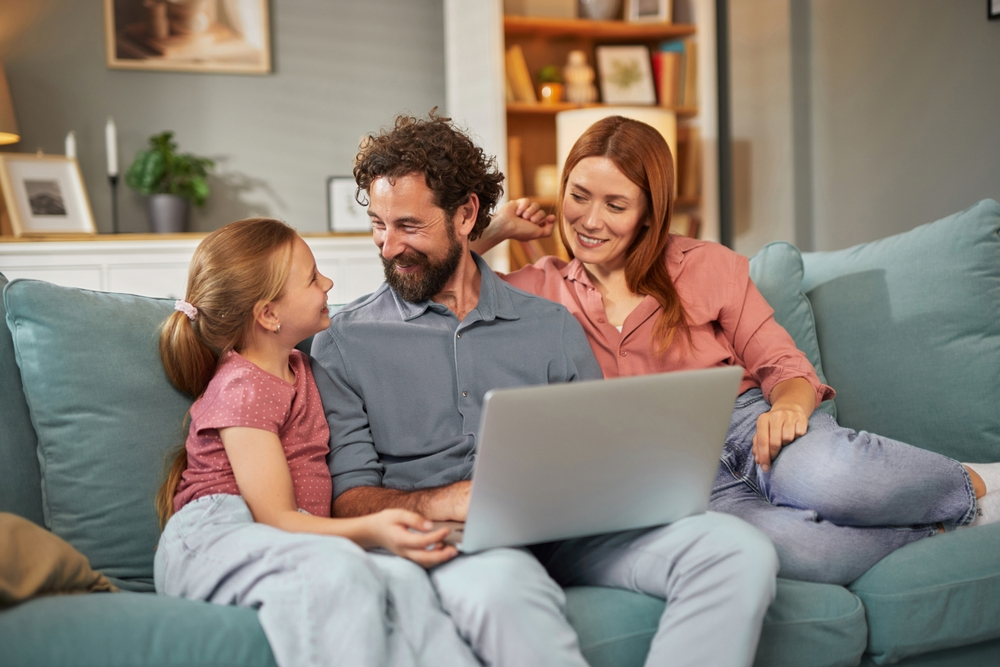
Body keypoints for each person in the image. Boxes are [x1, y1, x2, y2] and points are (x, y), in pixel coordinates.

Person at [310, 113, 778, 667]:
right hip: (458, 542)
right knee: (504, 591)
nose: (389, 248)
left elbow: (603, 448)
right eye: (378, 226)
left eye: (409, 226)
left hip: (573, 530)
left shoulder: (550, 324)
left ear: (466, 215)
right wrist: (441, 501)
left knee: (736, 550)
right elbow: (349, 497)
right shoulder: (342, 344)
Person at [477, 115, 1000, 586]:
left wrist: (791, 407)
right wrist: (495, 230)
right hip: (674, 474)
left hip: (751, 428)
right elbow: (426, 290)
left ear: (648, 213)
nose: (589, 221)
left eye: (615, 205)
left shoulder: (706, 264)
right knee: (807, 554)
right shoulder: (537, 287)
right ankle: (948, 521)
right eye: (578, 194)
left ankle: (978, 480)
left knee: (836, 479)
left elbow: (783, 365)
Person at [153, 218, 480, 667]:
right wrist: (372, 528)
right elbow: (276, 518)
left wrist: (483, 235)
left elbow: (407, 293)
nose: (328, 282)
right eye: (312, 278)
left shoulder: (302, 367)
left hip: (291, 534)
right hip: (219, 535)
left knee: (405, 583)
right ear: (268, 314)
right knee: (339, 574)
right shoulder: (242, 388)